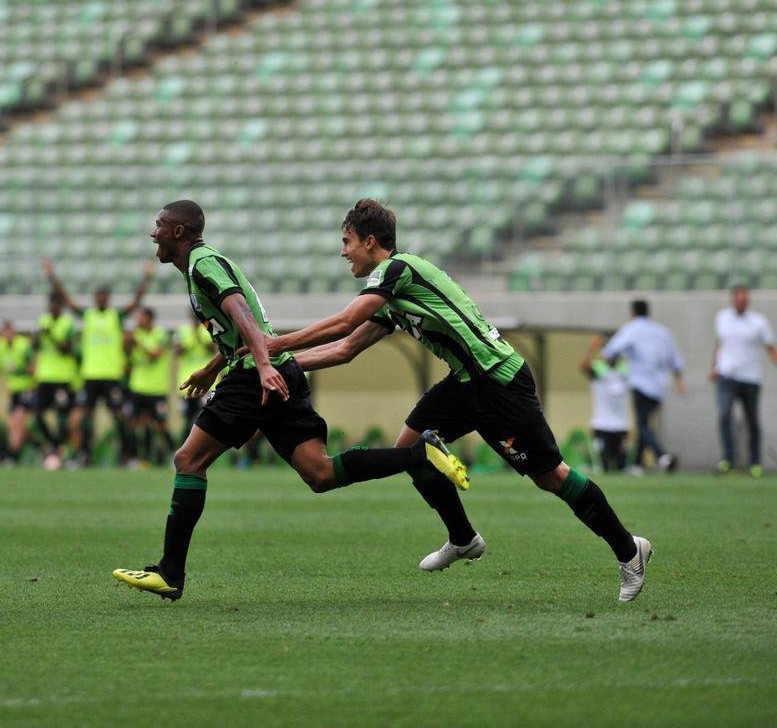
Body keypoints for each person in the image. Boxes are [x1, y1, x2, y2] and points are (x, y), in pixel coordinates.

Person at [256, 200, 651, 602]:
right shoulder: (392, 292)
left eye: (347, 241)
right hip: (466, 383)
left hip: (498, 381)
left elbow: (343, 323)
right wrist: (274, 364)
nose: (343, 252)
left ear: (370, 241)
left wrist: (273, 345)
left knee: (552, 477)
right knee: (409, 450)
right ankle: (462, 538)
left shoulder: (397, 270)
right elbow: (345, 350)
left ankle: (628, 550)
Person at [113, 200, 469, 601]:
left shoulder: (202, 263)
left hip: (256, 378)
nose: (153, 233)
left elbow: (242, 312)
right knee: (320, 474)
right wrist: (217, 365)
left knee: (188, 461)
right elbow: (241, 325)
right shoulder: (202, 265)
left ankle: (170, 573)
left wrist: (262, 367)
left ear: (179, 231)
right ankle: (417, 456)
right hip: (277, 370)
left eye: (160, 225)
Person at [42, 259, 154, 467]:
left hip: (111, 376)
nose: (102, 299)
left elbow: (136, 302)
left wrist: (147, 277)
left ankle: (127, 456)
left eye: (104, 296)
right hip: (91, 376)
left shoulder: (115, 316)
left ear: (108, 299)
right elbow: (66, 299)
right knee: (78, 418)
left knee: (121, 418)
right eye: (99, 296)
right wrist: (51, 276)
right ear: (95, 299)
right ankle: (80, 455)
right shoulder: (88, 315)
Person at [710, 285, 777, 477]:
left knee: (752, 421)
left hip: (750, 378)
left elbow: (770, 348)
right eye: (738, 298)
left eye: (745, 299)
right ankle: (728, 460)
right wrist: (714, 366)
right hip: (726, 376)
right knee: (724, 415)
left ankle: (755, 463)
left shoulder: (759, 322)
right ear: (733, 300)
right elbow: (720, 343)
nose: (741, 302)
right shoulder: (722, 318)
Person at [603, 300, 685, 473]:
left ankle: (662, 456)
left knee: (642, 425)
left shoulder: (631, 329)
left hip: (640, 384)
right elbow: (675, 360)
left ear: (632, 313)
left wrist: (614, 361)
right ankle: (637, 464)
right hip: (660, 387)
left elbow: (610, 350)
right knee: (646, 424)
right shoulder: (662, 332)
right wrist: (679, 381)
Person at [124, 307, 174, 468]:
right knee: (135, 424)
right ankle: (137, 458)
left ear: (149, 319)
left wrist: (137, 341)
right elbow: (127, 356)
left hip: (156, 389)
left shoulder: (160, 334)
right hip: (138, 387)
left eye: (141, 317)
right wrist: (127, 342)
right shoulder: (136, 335)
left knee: (160, 425)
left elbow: (154, 355)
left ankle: (174, 454)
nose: (138, 320)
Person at [32, 292, 80, 461]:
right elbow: (35, 345)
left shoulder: (67, 324)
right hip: (44, 377)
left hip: (62, 377)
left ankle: (63, 449)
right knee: (38, 414)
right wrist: (39, 334)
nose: (53, 308)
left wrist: (51, 334)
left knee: (63, 416)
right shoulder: (43, 320)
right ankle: (53, 444)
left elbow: (66, 349)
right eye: (51, 304)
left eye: (56, 305)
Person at [580, 335, 630, 474]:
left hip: (621, 425)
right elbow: (583, 366)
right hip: (601, 424)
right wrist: (591, 349)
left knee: (622, 466)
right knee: (604, 467)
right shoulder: (599, 369)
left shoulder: (624, 370)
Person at [0, 320, 37, 460]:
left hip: (26, 388)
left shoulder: (23, 345)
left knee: (17, 420)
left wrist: (18, 370)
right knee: (11, 424)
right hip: (13, 390)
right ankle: (35, 444)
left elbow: (33, 368)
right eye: (4, 332)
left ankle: (13, 454)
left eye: (9, 332)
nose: (7, 335)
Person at [175, 313, 216, 429]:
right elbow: (177, 351)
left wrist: (199, 337)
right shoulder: (183, 330)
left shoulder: (209, 329)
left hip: (206, 382)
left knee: (206, 415)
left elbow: (213, 349)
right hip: (187, 381)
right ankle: (185, 443)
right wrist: (188, 343)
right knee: (188, 417)